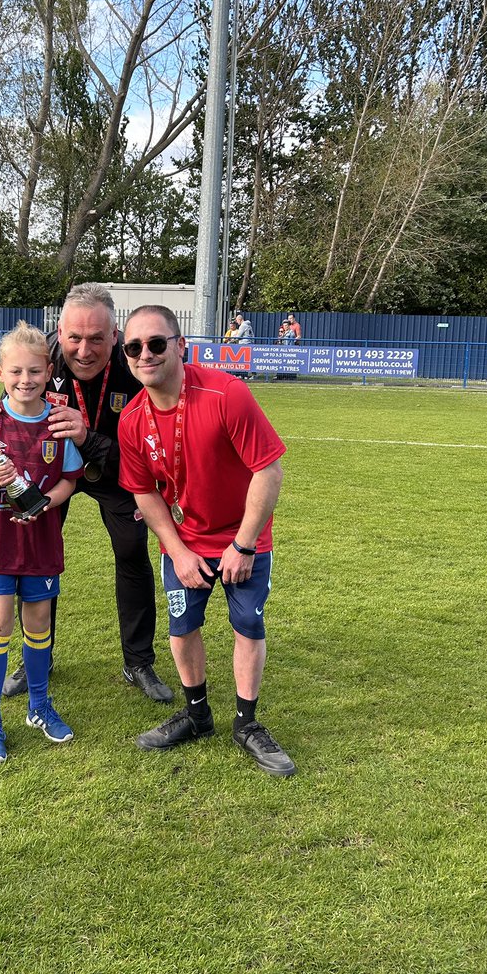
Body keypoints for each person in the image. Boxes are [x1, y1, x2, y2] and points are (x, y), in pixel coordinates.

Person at [117, 305, 296, 777]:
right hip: (185, 542)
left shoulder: (226, 393)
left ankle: (247, 723)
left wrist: (243, 545)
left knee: (248, 627)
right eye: (134, 347)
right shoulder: (132, 419)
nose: (145, 355)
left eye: (156, 343)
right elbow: (142, 490)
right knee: (182, 627)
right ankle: (197, 715)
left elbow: (268, 469)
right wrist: (177, 550)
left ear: (180, 345)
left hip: (243, 538)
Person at [0, 284, 174, 705]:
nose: (83, 350)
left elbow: (144, 454)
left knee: (132, 552)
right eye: (74, 337)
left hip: (116, 470)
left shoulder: (136, 366)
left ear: (114, 336)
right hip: (53, 471)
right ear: (58, 332)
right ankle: (37, 655)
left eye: (97, 338)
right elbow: (15, 396)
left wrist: (87, 436)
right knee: (36, 557)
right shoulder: (43, 362)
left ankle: (138, 661)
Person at [0, 321, 84, 765]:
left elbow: (70, 479)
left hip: (41, 543)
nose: (24, 380)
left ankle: (38, 706)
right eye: (15, 372)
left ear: (47, 370)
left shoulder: (57, 422)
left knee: (38, 625)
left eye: (33, 371)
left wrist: (46, 503)